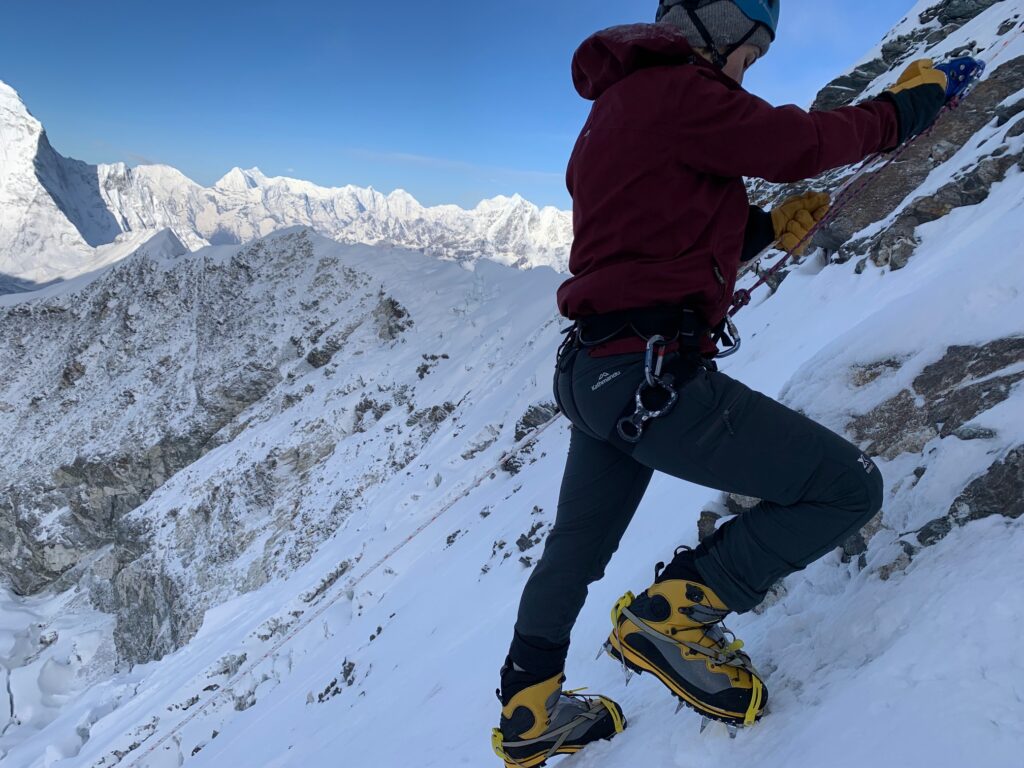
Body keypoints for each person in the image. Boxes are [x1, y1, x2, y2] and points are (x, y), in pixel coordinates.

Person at [492, 1, 950, 766]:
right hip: (652, 375)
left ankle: (529, 711)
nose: (750, 69)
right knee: (847, 487)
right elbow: (799, 144)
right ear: (717, 30)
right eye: (752, 51)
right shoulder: (680, 91)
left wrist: (765, 232)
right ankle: (674, 615)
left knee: (573, 550)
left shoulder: (613, 112)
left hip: (597, 371)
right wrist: (908, 109)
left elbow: (652, 234)